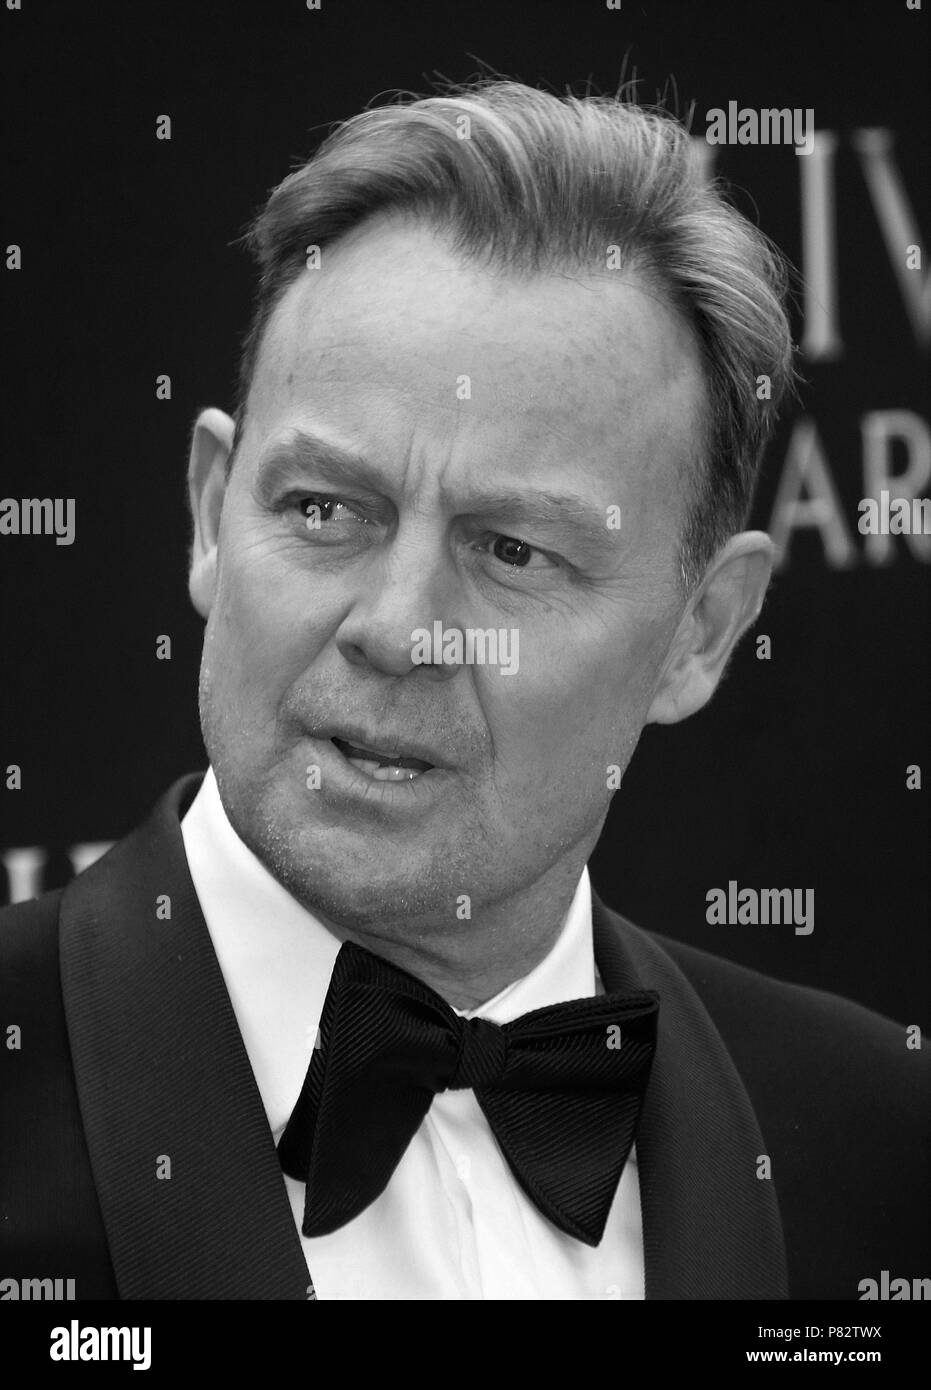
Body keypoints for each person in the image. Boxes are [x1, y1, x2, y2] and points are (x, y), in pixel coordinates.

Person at [1, 79, 926, 1301]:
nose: (397, 630)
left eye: (512, 552)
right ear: (211, 515)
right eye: (323, 509)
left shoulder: (882, 1148)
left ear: (700, 633)